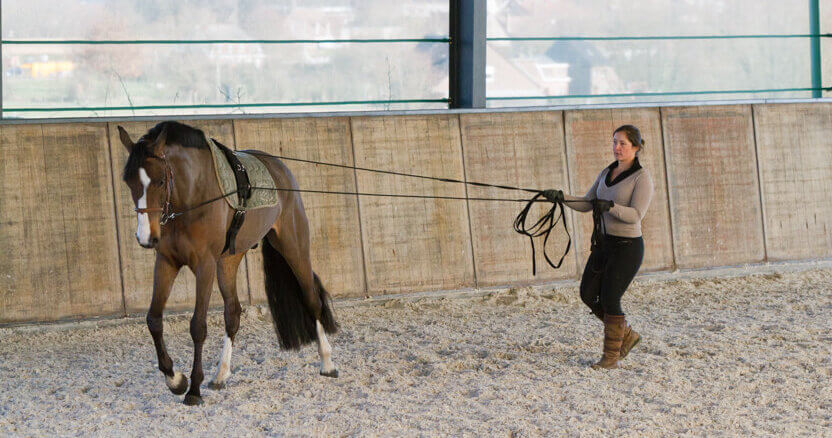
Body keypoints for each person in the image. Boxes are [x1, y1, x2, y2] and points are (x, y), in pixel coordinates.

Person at [543, 125, 653, 369]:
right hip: (604, 244)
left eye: (623, 143)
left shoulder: (641, 178)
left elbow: (636, 214)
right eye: (615, 142)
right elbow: (586, 203)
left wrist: (610, 206)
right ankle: (625, 334)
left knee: (610, 297)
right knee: (587, 294)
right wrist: (562, 197)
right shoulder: (606, 172)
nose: (617, 147)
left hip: (627, 247)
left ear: (636, 147)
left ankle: (611, 357)